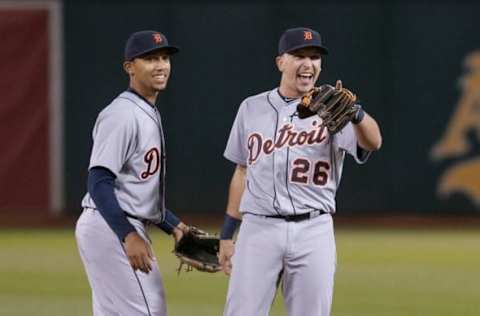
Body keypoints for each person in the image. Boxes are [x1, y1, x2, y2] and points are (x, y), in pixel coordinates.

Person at [218, 27, 382, 316]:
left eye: (315, 57)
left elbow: (373, 141)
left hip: (313, 229)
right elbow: (242, 170)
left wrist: (357, 113)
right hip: (259, 227)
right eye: (299, 56)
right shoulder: (251, 108)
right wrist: (227, 234)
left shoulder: (335, 109)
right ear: (281, 62)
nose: (308, 64)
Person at [75, 30, 189, 316]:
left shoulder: (146, 111)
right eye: (150, 59)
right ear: (129, 67)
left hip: (114, 223)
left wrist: (175, 227)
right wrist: (127, 235)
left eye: (164, 58)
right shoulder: (122, 114)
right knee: (149, 310)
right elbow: (99, 182)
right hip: (112, 225)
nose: (161, 65)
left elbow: (137, 189)